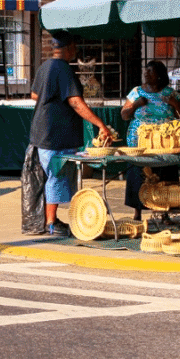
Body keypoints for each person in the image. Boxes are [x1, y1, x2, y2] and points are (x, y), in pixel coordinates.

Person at [29, 34, 114, 237]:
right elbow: (76, 102)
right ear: (69, 48)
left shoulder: (44, 67)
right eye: (75, 46)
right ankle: (51, 222)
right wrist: (100, 123)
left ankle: (52, 220)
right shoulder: (64, 69)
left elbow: (34, 95)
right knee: (56, 176)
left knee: (53, 175)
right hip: (55, 135)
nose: (76, 50)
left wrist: (52, 100)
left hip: (43, 132)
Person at [120, 60, 180, 220]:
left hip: (164, 142)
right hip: (139, 142)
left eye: (150, 71)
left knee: (165, 175)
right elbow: (124, 115)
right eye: (146, 70)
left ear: (159, 76)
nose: (146, 73)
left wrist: (175, 104)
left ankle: (165, 213)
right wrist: (136, 105)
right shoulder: (136, 92)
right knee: (138, 174)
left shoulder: (169, 93)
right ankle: (137, 213)